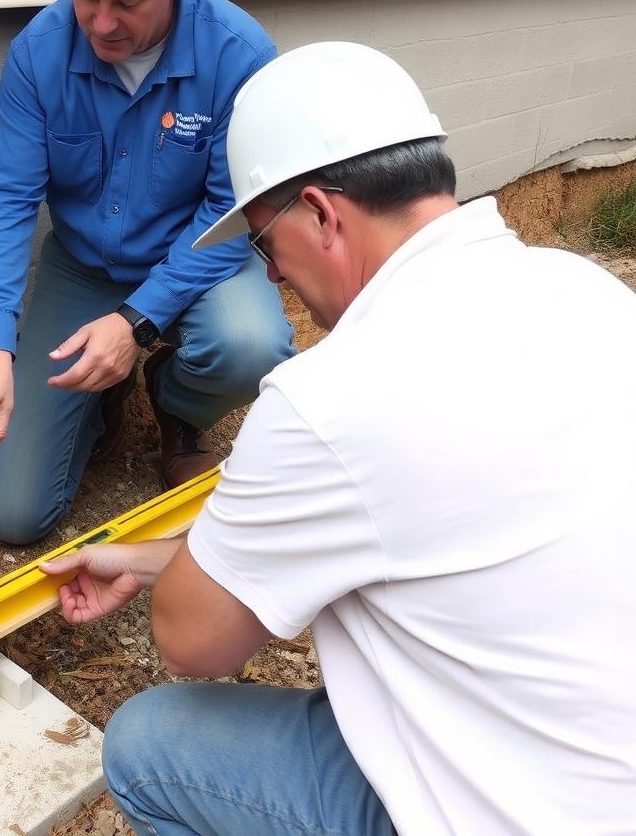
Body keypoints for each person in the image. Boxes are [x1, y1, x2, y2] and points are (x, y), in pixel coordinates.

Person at [40, 42, 636, 835]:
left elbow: (191, 641)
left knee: (149, 746)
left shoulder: (332, 400)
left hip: (505, 811)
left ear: (321, 213)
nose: (274, 279)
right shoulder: (585, 291)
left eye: (262, 245)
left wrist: (177, 578)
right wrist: (152, 559)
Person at [0, 0, 293, 545]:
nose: (100, 23)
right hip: (85, 269)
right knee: (11, 517)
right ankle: (99, 399)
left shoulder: (237, 57)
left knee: (252, 346)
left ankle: (177, 403)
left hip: (199, 260)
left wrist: (136, 323)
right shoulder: (40, 53)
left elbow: (228, 211)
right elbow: (6, 196)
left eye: (125, 2)